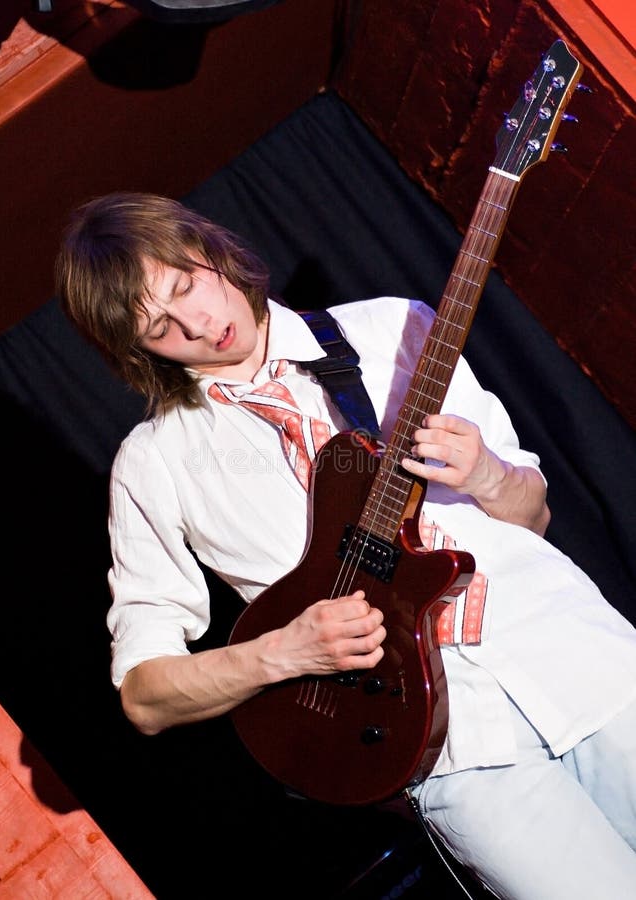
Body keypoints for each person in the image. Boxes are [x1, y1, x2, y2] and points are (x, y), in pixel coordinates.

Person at [55, 191, 636, 900]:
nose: (199, 325)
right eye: (160, 327)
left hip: (583, 663)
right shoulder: (154, 463)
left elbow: (532, 517)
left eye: (186, 285)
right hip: (455, 755)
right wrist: (281, 652)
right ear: (138, 351)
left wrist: (486, 471)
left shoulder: (394, 328)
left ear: (208, 251)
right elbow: (145, 696)